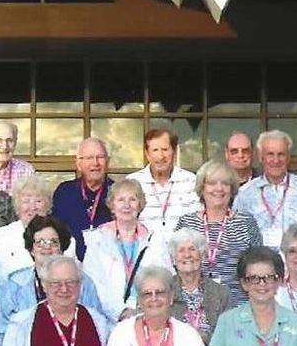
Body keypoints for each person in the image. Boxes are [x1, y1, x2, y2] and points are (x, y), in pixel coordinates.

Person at [0, 215, 104, 346]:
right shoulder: (14, 284)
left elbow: (97, 324)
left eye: (53, 242)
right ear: (31, 249)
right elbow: (2, 333)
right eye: (40, 242)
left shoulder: (82, 282)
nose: (47, 247)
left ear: (62, 248)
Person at [174, 159, 263, 307]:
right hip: (194, 307)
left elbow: (258, 265)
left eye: (225, 183)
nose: (219, 188)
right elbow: (176, 265)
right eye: (212, 183)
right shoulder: (186, 223)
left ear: (232, 188)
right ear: (202, 187)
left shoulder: (246, 222)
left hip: (237, 306)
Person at [82, 178, 170, 324]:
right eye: (121, 200)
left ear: (140, 204)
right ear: (112, 205)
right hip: (107, 320)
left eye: (133, 199)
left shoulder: (155, 239)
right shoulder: (97, 240)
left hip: (148, 316)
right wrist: (121, 312)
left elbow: (165, 278)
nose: (127, 205)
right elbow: (93, 283)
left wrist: (143, 311)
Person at [232, 130, 297, 250]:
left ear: (288, 157)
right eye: (270, 154)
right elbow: (237, 236)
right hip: (258, 263)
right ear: (261, 157)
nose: (276, 160)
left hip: (296, 262)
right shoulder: (245, 194)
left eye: (281, 154)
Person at [127, 127, 201, 235]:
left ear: (174, 151)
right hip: (145, 251)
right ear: (147, 154)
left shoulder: (191, 181)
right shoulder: (132, 182)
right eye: (155, 150)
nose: (160, 156)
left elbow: (198, 223)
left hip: (183, 250)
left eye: (165, 150)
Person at [50, 137, 113, 261]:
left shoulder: (117, 193)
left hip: (108, 266)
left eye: (100, 157)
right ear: (79, 164)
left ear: (108, 161)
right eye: (89, 158)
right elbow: (54, 232)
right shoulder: (64, 192)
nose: (95, 163)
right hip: (70, 266)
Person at [167, 227, 232, 344]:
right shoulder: (163, 291)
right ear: (173, 259)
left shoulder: (221, 293)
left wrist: (206, 338)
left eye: (192, 249)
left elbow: (230, 334)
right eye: (181, 250)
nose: (187, 255)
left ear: (202, 256)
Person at [0, 174, 57, 278]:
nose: (32, 207)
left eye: (38, 201)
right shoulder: (2, 235)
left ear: (48, 205)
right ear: (17, 206)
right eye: (26, 201)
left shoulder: (60, 233)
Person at [0, 120, 35, 195]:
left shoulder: (25, 171)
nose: (4, 146)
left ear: (15, 142)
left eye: (9, 140)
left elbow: (31, 203)